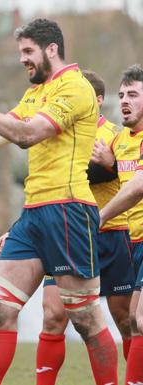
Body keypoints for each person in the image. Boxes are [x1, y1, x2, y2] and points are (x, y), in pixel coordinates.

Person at [0, 18, 118, 385]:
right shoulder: (34, 94)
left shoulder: (74, 87)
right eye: (21, 53)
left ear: (51, 49)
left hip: (69, 210)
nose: (23, 60)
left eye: (28, 52)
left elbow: (27, 135)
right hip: (32, 214)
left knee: (85, 317)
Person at [33, 70, 133, 385]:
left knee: (126, 319)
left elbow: (132, 179)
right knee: (52, 316)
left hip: (113, 235)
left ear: (98, 99)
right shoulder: (58, 136)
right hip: (66, 235)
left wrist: (112, 164)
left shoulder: (117, 136)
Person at [95, 64, 143, 384]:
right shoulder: (120, 139)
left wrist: (98, 217)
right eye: (122, 94)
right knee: (135, 323)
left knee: (139, 319)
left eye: (134, 94)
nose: (125, 99)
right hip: (136, 241)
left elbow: (138, 186)